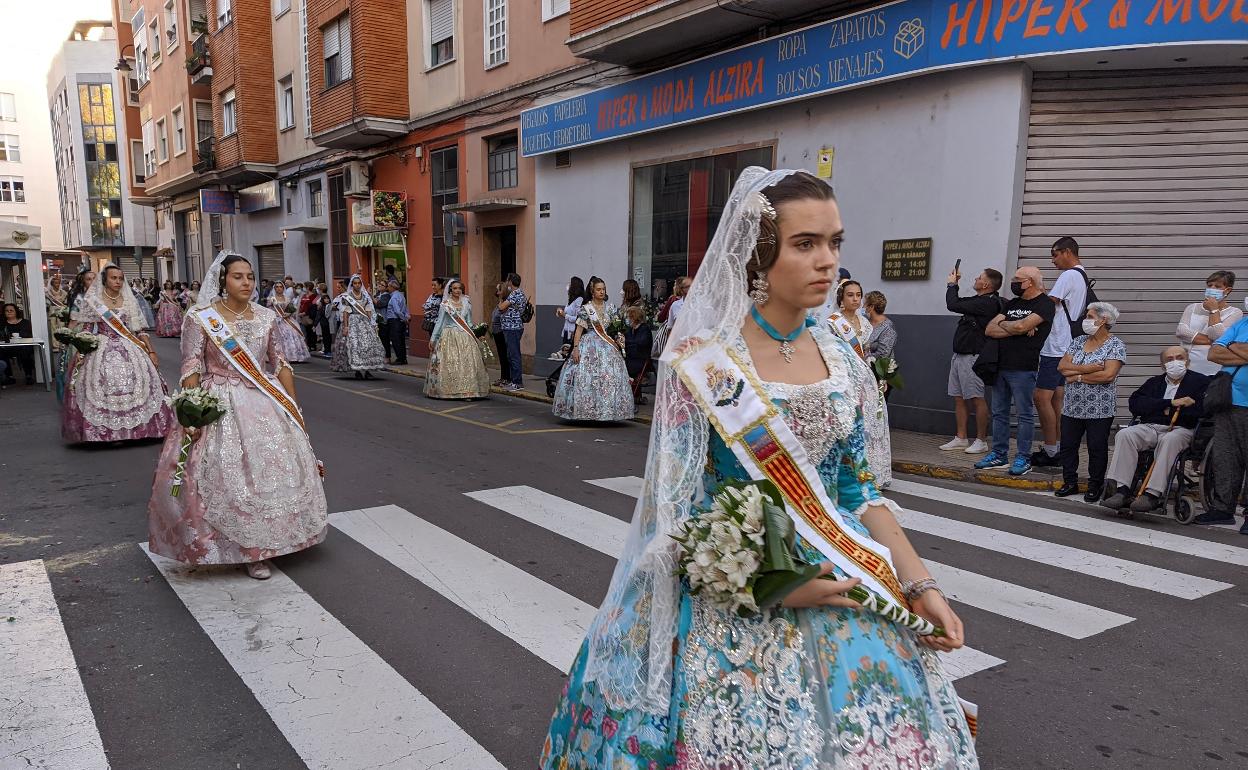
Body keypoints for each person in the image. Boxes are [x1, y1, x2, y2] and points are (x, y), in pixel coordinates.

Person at [540, 169, 976, 770]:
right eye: (805, 244)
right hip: (734, 596)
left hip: (842, 578)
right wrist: (769, 583)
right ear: (759, 254)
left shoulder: (846, 363)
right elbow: (674, 511)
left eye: (835, 243)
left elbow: (860, 490)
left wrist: (922, 585)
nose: (828, 263)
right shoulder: (702, 362)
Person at [146, 251, 327, 580]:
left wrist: (294, 408)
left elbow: (280, 365)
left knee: (269, 475)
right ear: (223, 280)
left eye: (250, 277)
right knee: (228, 478)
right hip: (219, 403)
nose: (246, 282)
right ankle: (246, 549)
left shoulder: (265, 317)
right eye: (238, 276)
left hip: (263, 401)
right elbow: (191, 367)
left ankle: (276, 539)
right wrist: (192, 411)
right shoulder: (202, 318)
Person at [61, 264, 174, 443]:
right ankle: (107, 432)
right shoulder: (94, 301)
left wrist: (151, 351)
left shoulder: (129, 300)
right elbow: (88, 328)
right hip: (102, 346)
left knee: (143, 382)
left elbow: (139, 330)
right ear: (105, 280)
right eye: (114, 278)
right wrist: (82, 349)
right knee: (99, 383)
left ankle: (142, 430)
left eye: (121, 278)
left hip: (129, 346)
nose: (118, 281)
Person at [1101, 347, 1209, 513]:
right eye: (1169, 359)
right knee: (1125, 434)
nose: (1175, 362)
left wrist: (1160, 409)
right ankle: (1122, 490)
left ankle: (1152, 494)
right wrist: (1169, 404)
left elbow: (1201, 411)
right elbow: (1135, 404)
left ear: (1187, 361)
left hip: (1182, 429)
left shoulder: (1201, 382)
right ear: (1162, 365)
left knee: (1169, 440)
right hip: (1151, 427)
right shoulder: (1154, 382)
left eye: (1179, 357)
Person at [975, 266, 1056, 476]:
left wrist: (1014, 326)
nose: (1014, 282)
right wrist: (1015, 326)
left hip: (1024, 367)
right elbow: (990, 329)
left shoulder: (1045, 304)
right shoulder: (1013, 303)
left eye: (1017, 279)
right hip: (1000, 365)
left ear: (1029, 282)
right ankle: (999, 454)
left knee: (1024, 414)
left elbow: (1020, 327)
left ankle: (1023, 457)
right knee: (999, 413)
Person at [1053, 302, 1127, 501]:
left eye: (1090, 316)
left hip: (1099, 409)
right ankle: (1070, 482)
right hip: (1072, 406)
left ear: (1103, 320)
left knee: (1096, 447)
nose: (1086, 320)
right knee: (1068, 445)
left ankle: (1095, 485)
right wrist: (1092, 368)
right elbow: (1062, 367)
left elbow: (1108, 375)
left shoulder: (1115, 345)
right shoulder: (1078, 341)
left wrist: (1076, 375)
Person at [1033, 237, 1092, 468]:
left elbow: (1049, 304)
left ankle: (1050, 451)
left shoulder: (1068, 275)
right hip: (1067, 346)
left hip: (1056, 345)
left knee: (1041, 397)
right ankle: (1058, 448)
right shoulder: (1081, 275)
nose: (1053, 259)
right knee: (1057, 399)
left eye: (1055, 254)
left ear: (1067, 252)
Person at [827, 279, 891, 486]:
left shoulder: (864, 322)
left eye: (858, 295)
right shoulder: (832, 322)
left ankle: (873, 471)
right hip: (843, 377)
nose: (855, 299)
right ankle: (848, 471)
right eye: (850, 295)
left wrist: (881, 375)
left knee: (872, 421)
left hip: (865, 377)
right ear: (841, 298)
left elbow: (867, 352)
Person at [1194, 314, 1248, 533]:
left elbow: (1223, 350)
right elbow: (1214, 352)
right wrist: (1242, 350)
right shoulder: (1242, 323)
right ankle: (1222, 508)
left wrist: (1232, 346)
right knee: (1225, 457)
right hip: (1228, 400)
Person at [552, 277, 634, 421]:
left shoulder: (611, 308)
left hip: (607, 347)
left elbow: (615, 328)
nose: (602, 292)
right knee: (587, 378)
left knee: (607, 378)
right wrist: (576, 349)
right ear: (592, 291)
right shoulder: (586, 309)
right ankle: (587, 410)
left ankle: (607, 411)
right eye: (598, 289)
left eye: (603, 289)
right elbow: (578, 331)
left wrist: (619, 337)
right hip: (589, 345)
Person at [942, 267, 1003, 454]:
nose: (975, 279)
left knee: (977, 398)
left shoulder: (987, 303)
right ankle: (961, 437)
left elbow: (953, 304)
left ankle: (981, 440)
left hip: (973, 357)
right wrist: (955, 286)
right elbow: (959, 303)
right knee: (959, 397)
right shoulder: (978, 301)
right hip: (959, 355)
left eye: (979, 278)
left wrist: (952, 284)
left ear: (985, 284)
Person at [424, 279, 489, 399]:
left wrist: (477, 333)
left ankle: (468, 391)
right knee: (450, 364)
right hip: (449, 336)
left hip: (465, 336)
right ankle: (449, 390)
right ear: (450, 290)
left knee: (467, 364)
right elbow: (439, 323)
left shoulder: (467, 303)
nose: (457, 290)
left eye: (459, 288)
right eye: (454, 288)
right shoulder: (445, 305)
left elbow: (468, 322)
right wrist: (433, 339)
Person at [1177, 271, 1242, 376]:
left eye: (1217, 286)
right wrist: (1213, 340)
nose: (1212, 289)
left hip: (1213, 367)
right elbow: (1181, 332)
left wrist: (1214, 310)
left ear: (1227, 290)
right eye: (1210, 285)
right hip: (1187, 365)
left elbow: (1218, 335)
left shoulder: (1235, 312)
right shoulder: (1192, 307)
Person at [331, 274, 386, 380]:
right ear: (352, 284)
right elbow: (346, 313)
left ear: (361, 284)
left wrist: (372, 323)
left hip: (364, 322)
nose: (357, 285)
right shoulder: (347, 296)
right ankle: (357, 370)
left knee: (368, 346)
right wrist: (346, 327)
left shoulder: (365, 296)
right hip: (353, 322)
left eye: (359, 283)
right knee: (354, 346)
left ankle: (367, 369)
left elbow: (368, 310)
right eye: (355, 283)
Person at [266, 282, 311, 363]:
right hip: (276, 319)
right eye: (277, 287)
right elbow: (268, 311)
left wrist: (288, 313)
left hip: (287, 319)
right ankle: (278, 356)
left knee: (292, 333)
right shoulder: (271, 299)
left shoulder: (287, 298)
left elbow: (292, 309)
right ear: (274, 288)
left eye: (280, 287)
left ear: (283, 288)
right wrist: (277, 315)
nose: (279, 288)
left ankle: (293, 355)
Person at [498, 272, 527, 391]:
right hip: (512, 327)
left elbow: (501, 307)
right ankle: (514, 380)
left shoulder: (515, 294)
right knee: (511, 354)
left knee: (513, 355)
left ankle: (517, 382)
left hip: (512, 327)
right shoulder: (518, 293)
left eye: (507, 281)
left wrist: (500, 298)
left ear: (510, 282)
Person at [621, 304, 653, 403]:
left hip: (641, 360)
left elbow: (641, 343)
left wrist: (628, 342)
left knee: (624, 367)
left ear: (634, 317)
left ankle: (631, 397)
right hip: (631, 358)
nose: (627, 319)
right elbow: (627, 342)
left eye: (629, 317)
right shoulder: (630, 330)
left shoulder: (644, 329)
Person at [1, 303, 36, 386]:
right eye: (6, 311)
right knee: (1, 351)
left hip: (22, 346)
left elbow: (28, 334)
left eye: (11, 310)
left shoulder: (25, 322)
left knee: (25, 350)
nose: (9, 312)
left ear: (16, 311)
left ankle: (28, 375)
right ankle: (9, 376)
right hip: (8, 348)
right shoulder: (2, 324)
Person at [383, 279, 410, 365]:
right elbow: (405, 308)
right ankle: (403, 358)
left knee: (396, 340)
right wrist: (406, 317)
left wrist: (404, 318)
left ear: (392, 287)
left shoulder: (394, 297)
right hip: (400, 321)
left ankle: (400, 358)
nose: (388, 288)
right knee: (401, 340)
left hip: (394, 320)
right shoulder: (401, 295)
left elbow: (397, 311)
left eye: (388, 286)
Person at [554, 276, 585, 351]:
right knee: (564, 352)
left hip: (572, 332)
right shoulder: (571, 299)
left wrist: (565, 315)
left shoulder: (579, 300)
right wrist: (560, 312)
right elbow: (567, 313)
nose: (568, 285)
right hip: (566, 331)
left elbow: (578, 319)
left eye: (570, 284)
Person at [489, 282, 510, 386]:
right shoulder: (500, 302)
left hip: (502, 332)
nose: (497, 292)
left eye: (499, 290)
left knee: (504, 355)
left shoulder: (505, 303)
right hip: (497, 332)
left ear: (503, 291)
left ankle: (507, 378)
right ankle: (503, 377)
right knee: (501, 356)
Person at [46, 274, 69, 352]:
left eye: (58, 283)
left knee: (61, 327)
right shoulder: (48, 293)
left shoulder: (64, 293)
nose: (57, 284)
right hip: (52, 311)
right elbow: (47, 303)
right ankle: (55, 345)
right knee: (53, 328)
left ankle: (61, 344)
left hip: (61, 310)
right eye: (55, 283)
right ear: (52, 284)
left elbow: (66, 302)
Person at [316, 283, 334, 355]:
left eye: (318, 288)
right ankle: (325, 349)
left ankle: (327, 349)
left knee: (326, 335)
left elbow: (321, 308)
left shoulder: (324, 297)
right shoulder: (321, 296)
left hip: (325, 320)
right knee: (324, 335)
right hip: (322, 320)